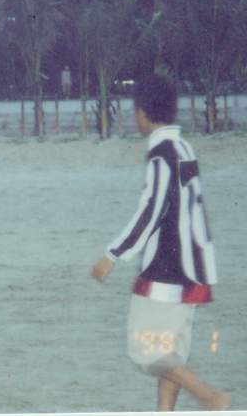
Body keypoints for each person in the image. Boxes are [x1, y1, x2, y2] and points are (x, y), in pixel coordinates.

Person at [91, 74, 230, 411]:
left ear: (141, 113)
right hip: (193, 267)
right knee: (170, 352)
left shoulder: (161, 155)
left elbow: (152, 210)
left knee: (145, 350)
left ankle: (210, 396)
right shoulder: (184, 148)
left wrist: (112, 254)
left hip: (166, 268)